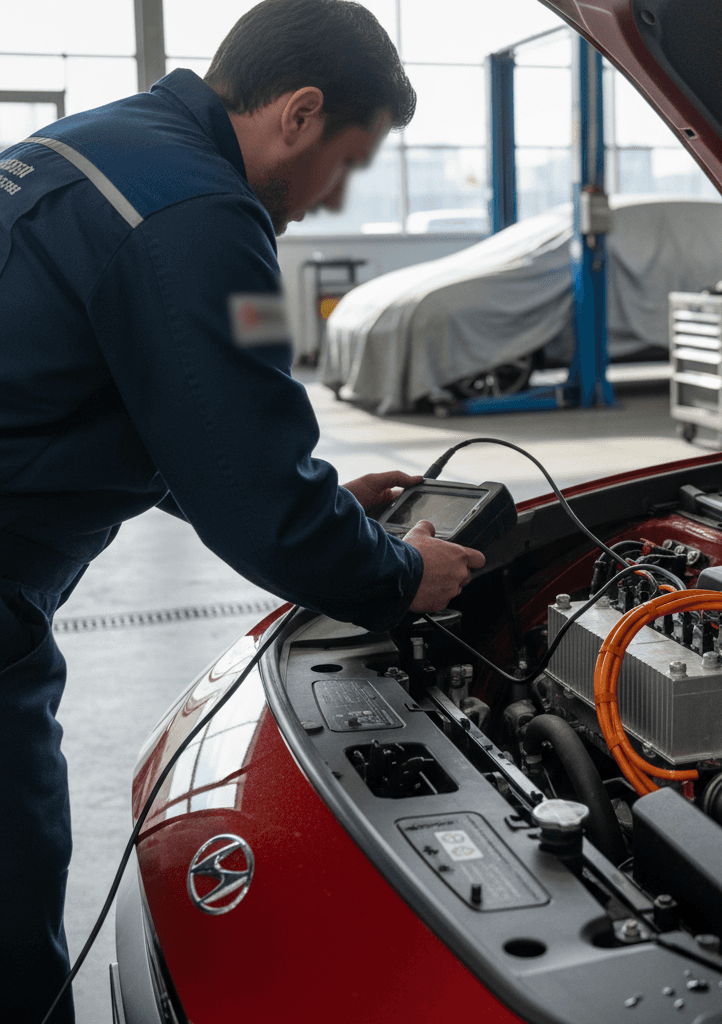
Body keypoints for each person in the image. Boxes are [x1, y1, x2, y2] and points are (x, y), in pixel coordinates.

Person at [0, 2, 484, 1020]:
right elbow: (256, 487)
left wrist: (324, 504)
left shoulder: (97, 148)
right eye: (349, 161)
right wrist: (398, 574)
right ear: (300, 113)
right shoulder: (207, 218)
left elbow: (153, 407)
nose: (333, 195)